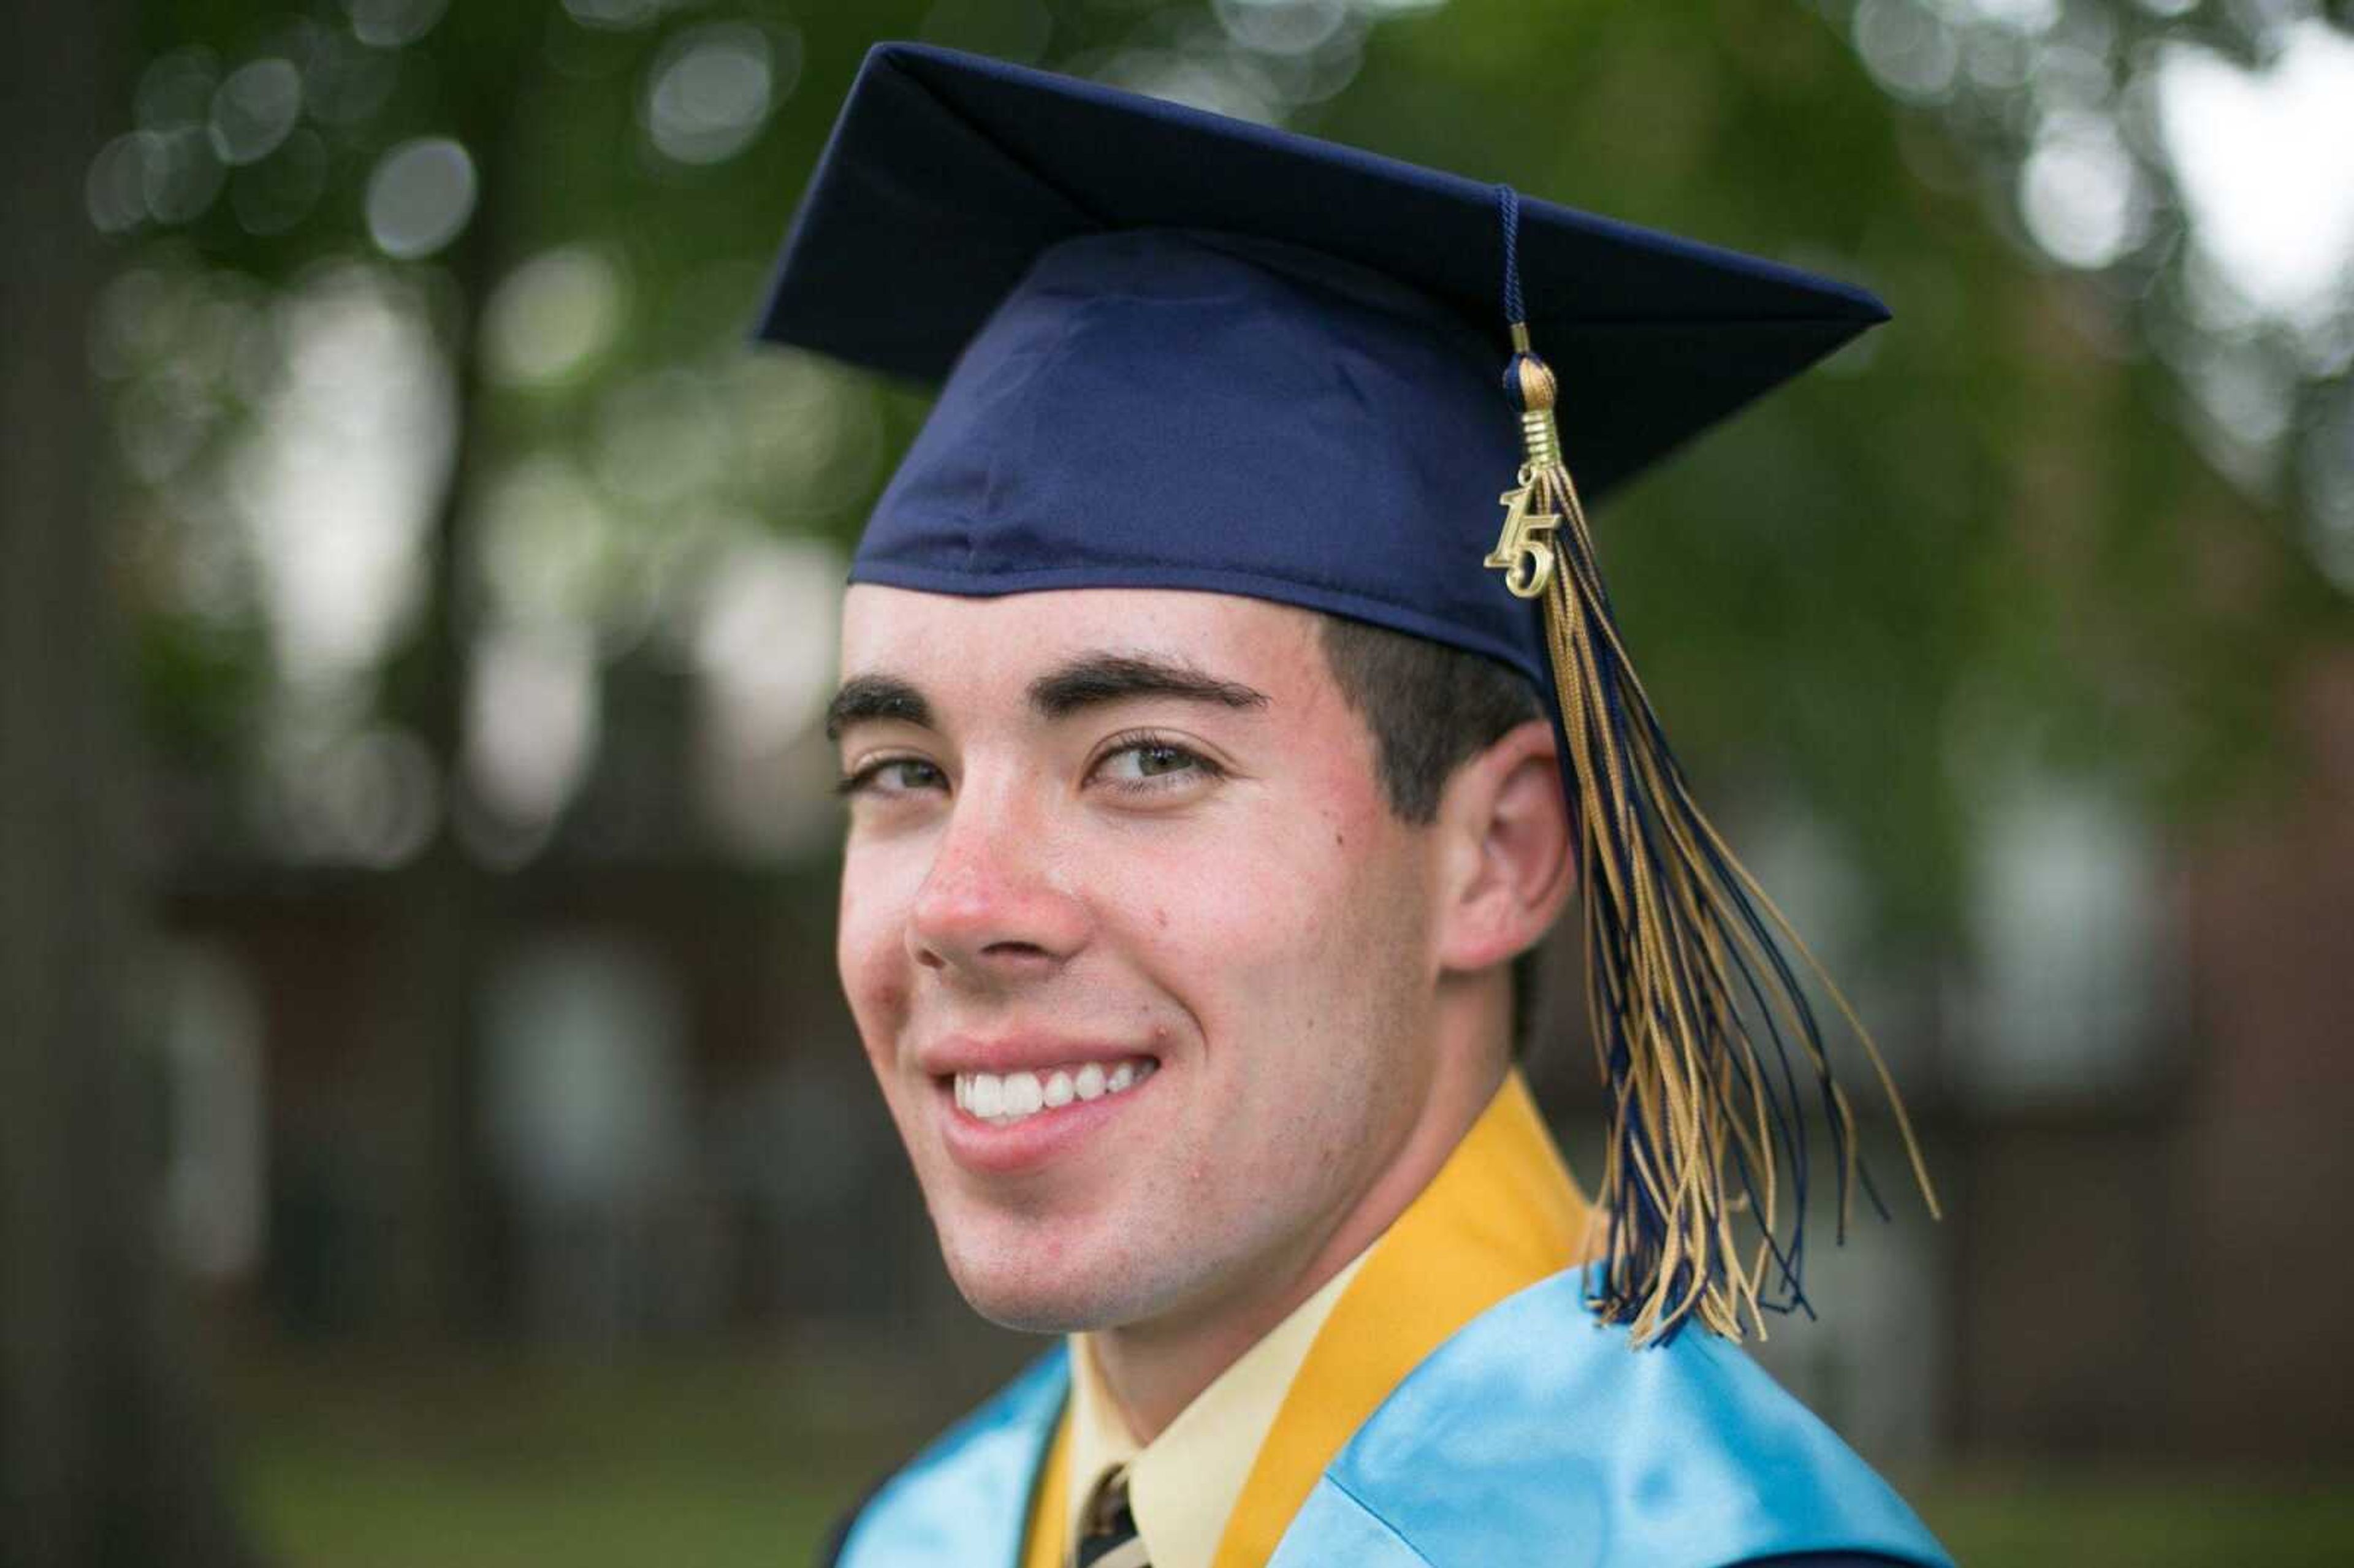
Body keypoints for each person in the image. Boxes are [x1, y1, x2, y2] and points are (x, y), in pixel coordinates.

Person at [764, 42, 1952, 1568]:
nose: (962, 905)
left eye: (1147, 759)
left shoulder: (1710, 1544)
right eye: (903, 774)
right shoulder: (915, 1539)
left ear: (1498, 856)